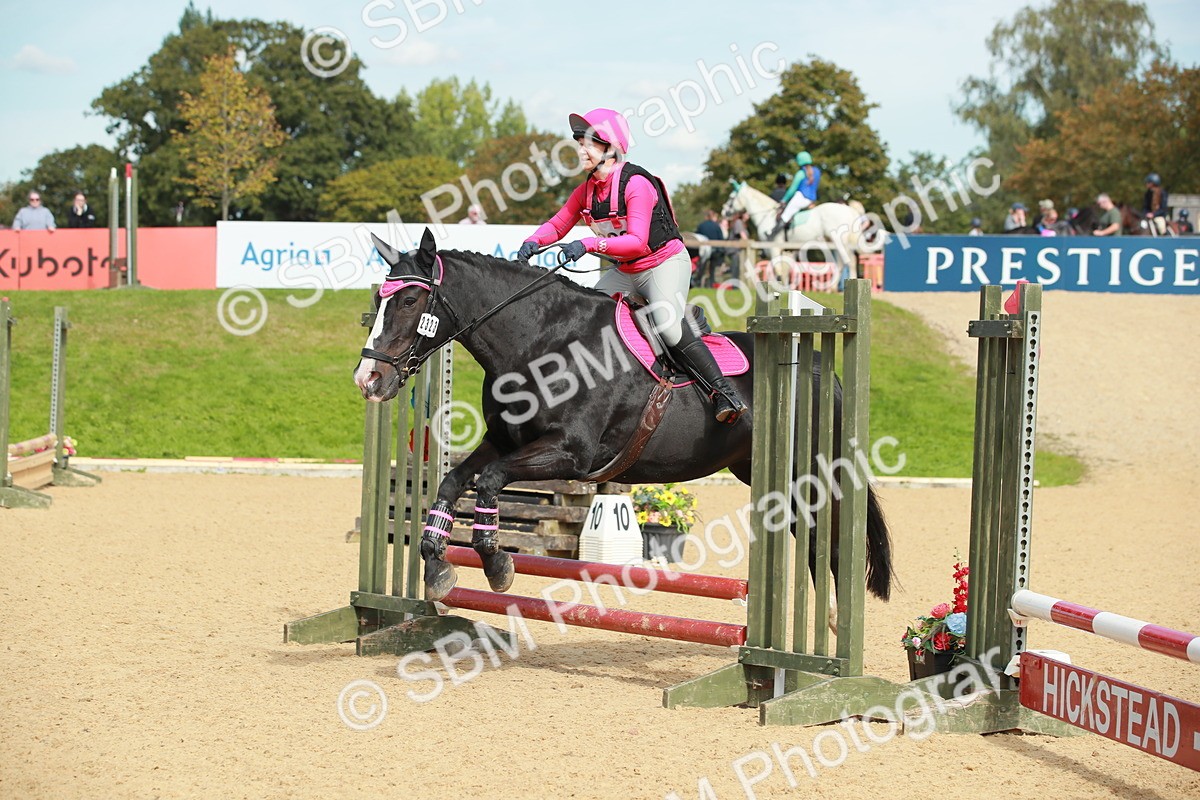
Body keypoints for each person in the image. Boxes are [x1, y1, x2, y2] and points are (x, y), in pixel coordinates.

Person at [515, 107, 747, 423]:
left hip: (663, 263)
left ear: (609, 149)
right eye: (579, 142)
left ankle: (723, 393)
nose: (580, 149)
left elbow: (638, 241)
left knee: (667, 325)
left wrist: (587, 244)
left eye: (588, 143)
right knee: (586, 318)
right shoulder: (586, 190)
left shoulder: (636, 183)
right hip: (626, 271)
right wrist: (534, 241)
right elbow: (558, 224)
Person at [772, 151, 822, 237]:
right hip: (812, 200)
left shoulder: (801, 173)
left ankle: (772, 235)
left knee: (785, 216)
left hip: (801, 197)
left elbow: (792, 189)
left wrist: (784, 200)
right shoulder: (817, 171)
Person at [693, 209, 725, 288]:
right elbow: (721, 239)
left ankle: (698, 283)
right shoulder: (717, 226)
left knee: (702, 267)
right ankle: (711, 284)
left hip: (704, 249)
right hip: (715, 250)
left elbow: (697, 236)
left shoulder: (701, 225)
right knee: (712, 269)